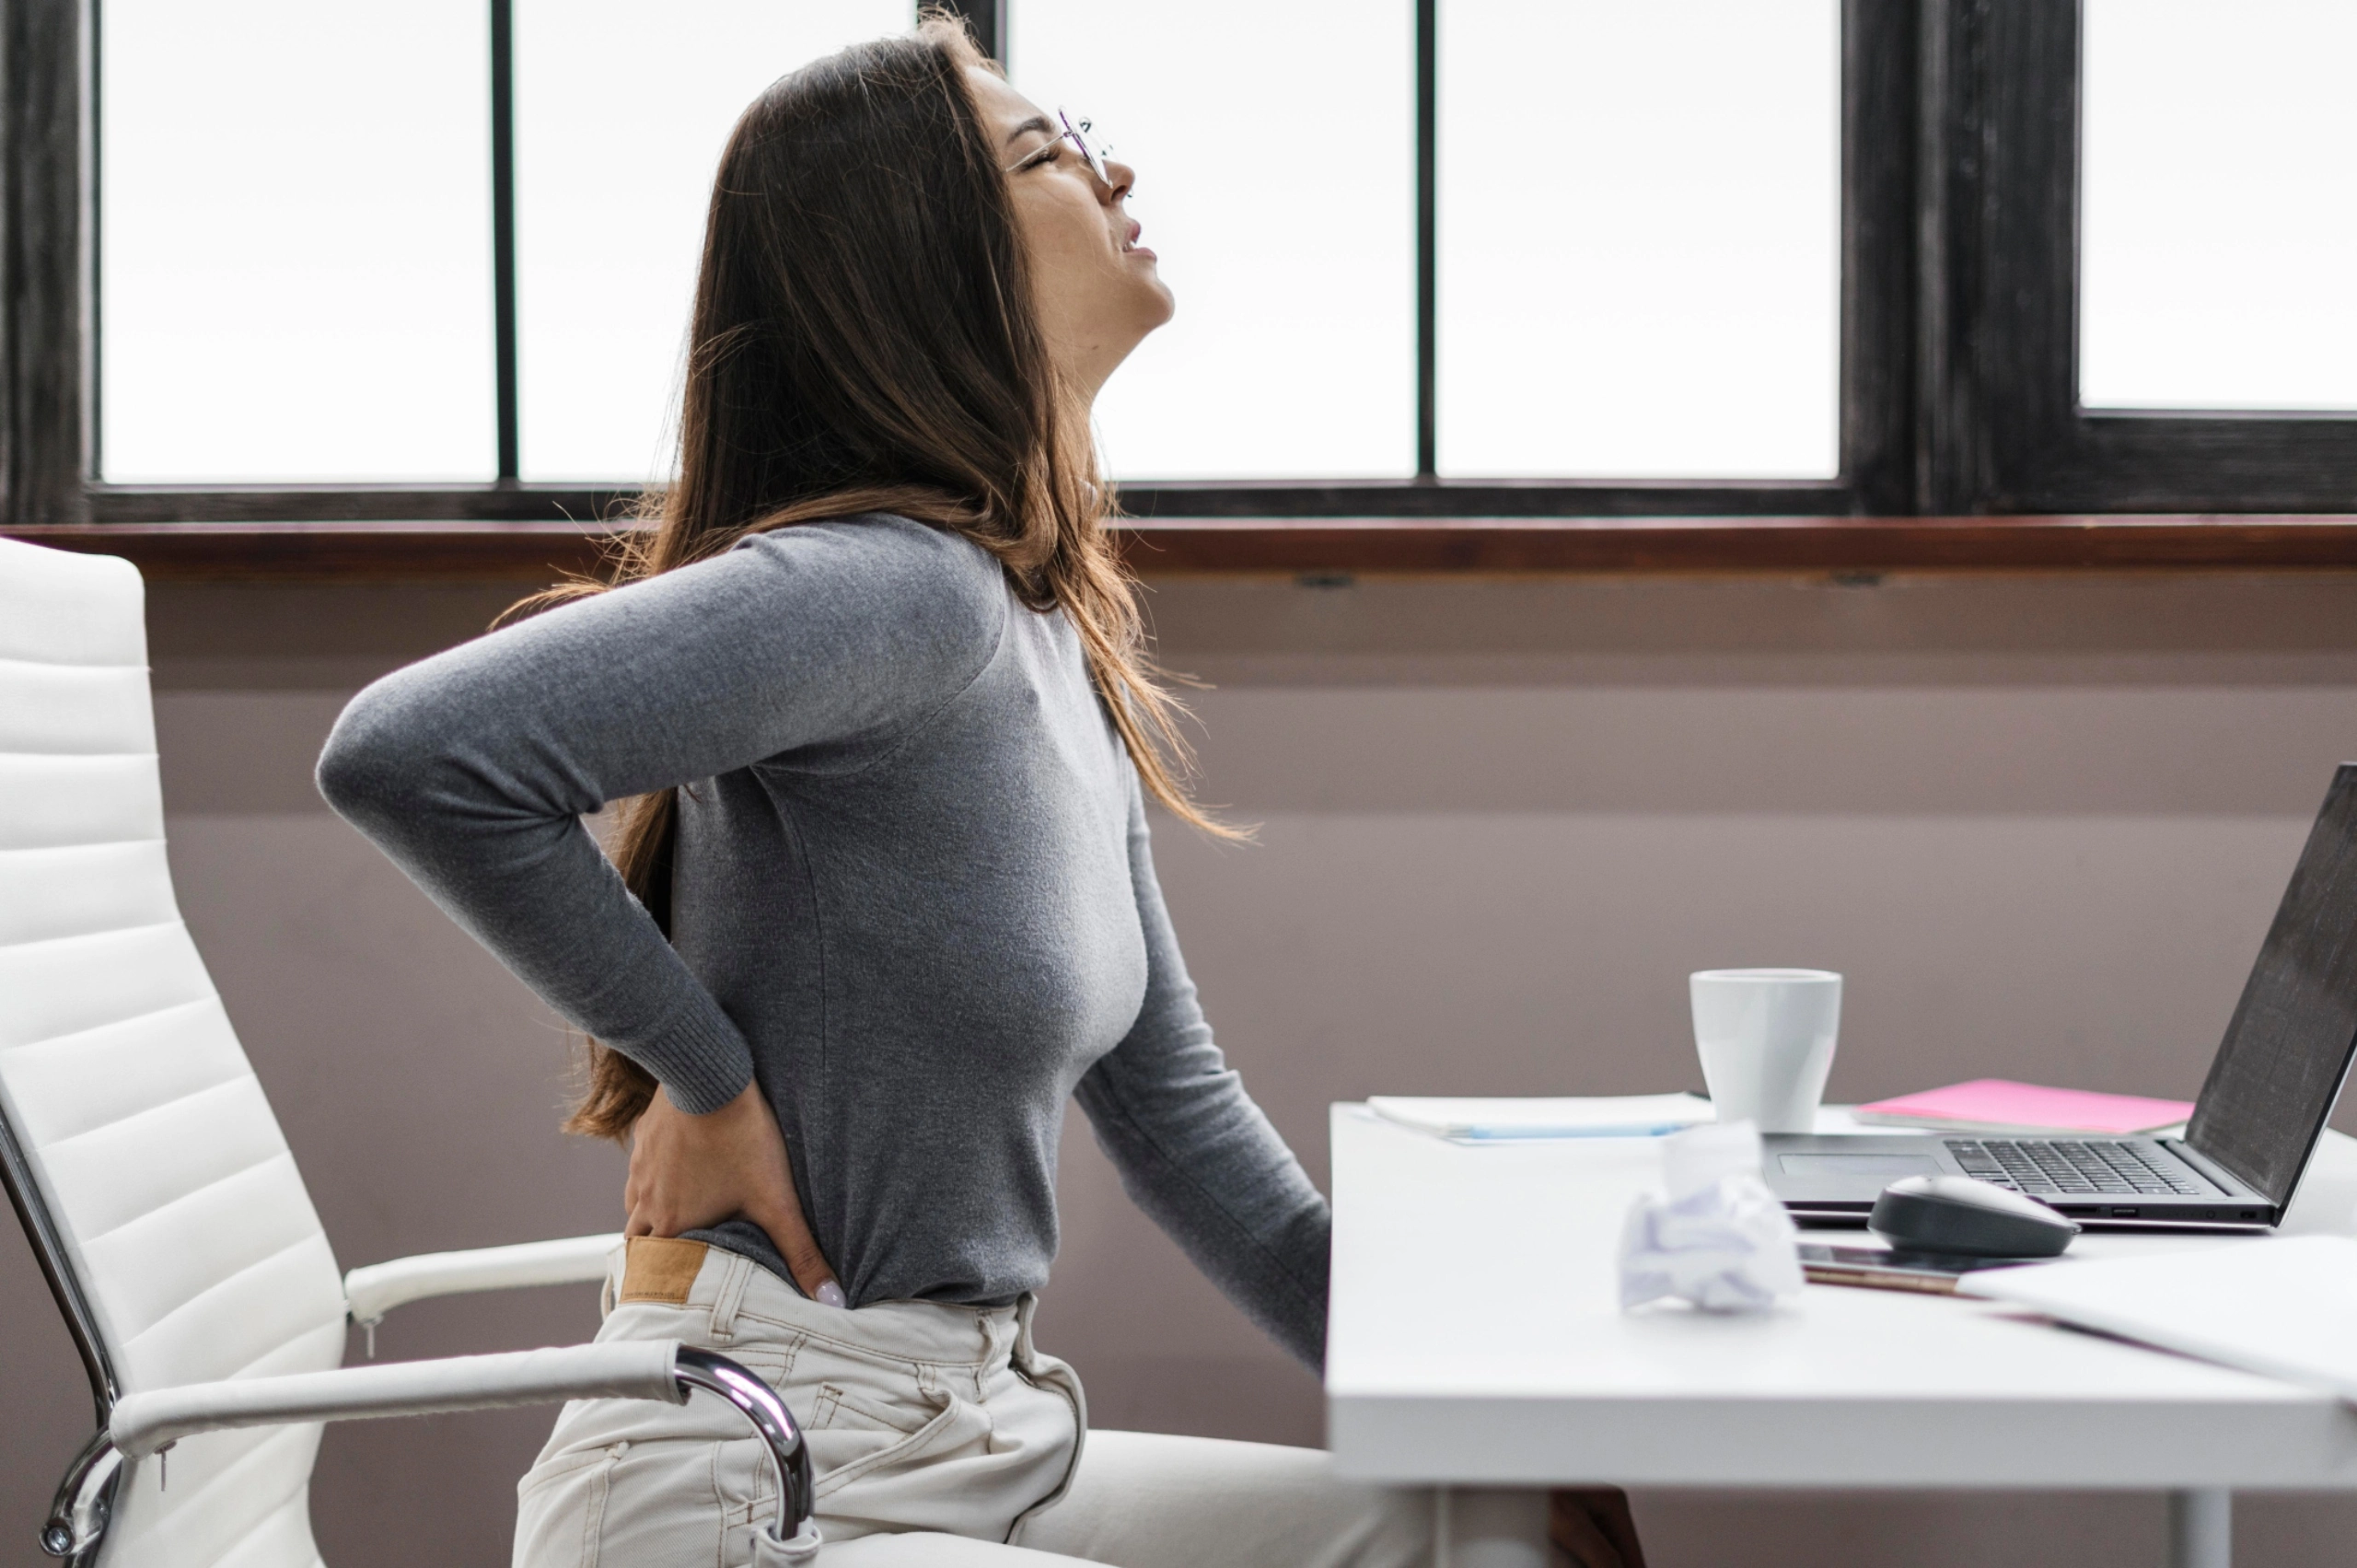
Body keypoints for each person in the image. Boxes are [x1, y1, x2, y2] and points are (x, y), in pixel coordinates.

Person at [319, 17, 1634, 1567]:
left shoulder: (1033, 633)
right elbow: (409, 754)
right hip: (751, 1471)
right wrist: (704, 1073)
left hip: (976, 1427)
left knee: (1525, 1530)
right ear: (928, 267)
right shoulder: (896, 592)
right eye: (1046, 151)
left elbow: (1181, 1118)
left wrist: (1473, 1400)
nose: (1114, 165)